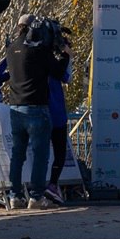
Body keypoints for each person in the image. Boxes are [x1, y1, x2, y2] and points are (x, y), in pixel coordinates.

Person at [6, 13, 71, 209]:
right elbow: (59, 72)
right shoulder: (38, 49)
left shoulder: (11, 48)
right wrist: (66, 54)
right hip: (37, 107)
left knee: (18, 155)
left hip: (15, 107)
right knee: (40, 156)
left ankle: (15, 196)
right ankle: (36, 196)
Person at [45, 50, 73, 205]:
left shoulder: (34, 63)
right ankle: (52, 184)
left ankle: (38, 190)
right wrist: (68, 56)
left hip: (40, 113)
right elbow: (68, 77)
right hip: (56, 116)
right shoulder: (55, 65)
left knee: (40, 154)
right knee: (59, 153)